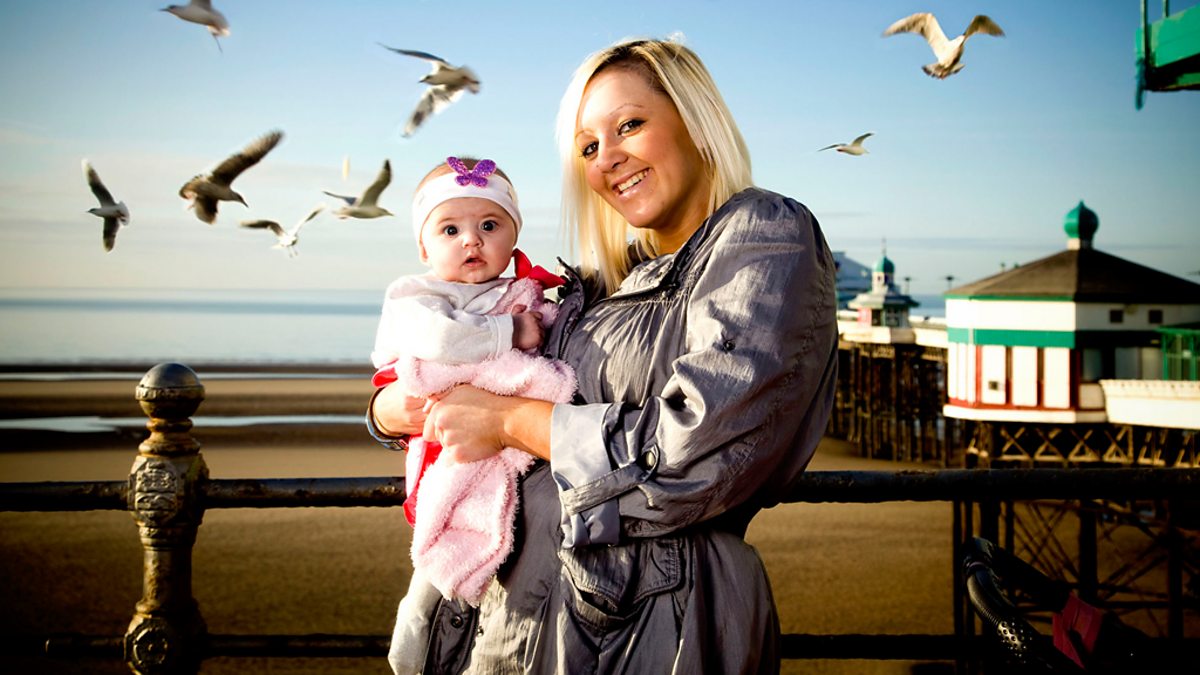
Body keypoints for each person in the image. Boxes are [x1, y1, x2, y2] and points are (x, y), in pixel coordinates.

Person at [368, 37, 838, 674]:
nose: (608, 158)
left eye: (630, 125)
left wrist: (510, 422)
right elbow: (483, 373)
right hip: (523, 619)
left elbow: (701, 452)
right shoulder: (603, 281)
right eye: (588, 147)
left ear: (696, 120)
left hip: (648, 628)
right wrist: (390, 410)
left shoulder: (763, 233)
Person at [371, 156, 574, 675]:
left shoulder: (517, 293)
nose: (471, 241)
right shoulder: (417, 296)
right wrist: (513, 332)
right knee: (447, 524)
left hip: (501, 441)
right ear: (424, 247)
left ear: (514, 234)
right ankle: (420, 614)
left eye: (489, 225)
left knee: (491, 525)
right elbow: (442, 341)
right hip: (444, 439)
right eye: (450, 229)